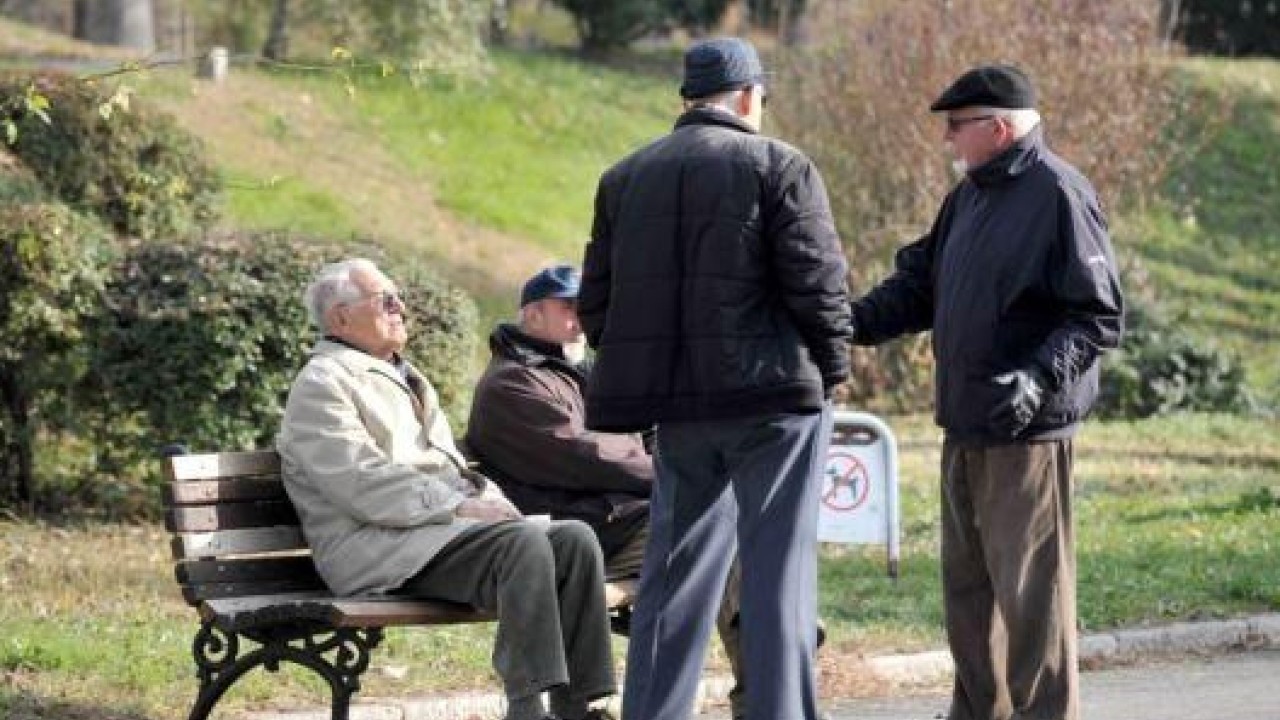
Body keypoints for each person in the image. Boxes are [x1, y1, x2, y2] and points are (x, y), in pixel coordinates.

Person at [579, 37, 853, 720]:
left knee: (673, 578)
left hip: (679, 410)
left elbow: (597, 305)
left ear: (688, 97)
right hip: (773, 401)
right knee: (777, 579)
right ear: (750, 95)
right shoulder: (780, 164)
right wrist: (834, 368)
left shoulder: (624, 177)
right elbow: (819, 284)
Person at [849, 65, 1124, 720]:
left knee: (1033, 604)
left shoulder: (1059, 193)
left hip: (1027, 437)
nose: (948, 137)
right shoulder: (968, 197)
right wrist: (846, 322)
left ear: (998, 128)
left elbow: (1098, 315)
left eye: (956, 125)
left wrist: (1037, 376)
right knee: (970, 603)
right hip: (966, 425)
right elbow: (919, 286)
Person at [276, 258, 617, 720]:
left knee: (574, 539)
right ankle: (525, 706)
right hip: (370, 546)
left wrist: (486, 498)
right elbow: (361, 482)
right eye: (385, 301)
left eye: (398, 298)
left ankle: (578, 706)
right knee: (521, 544)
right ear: (341, 318)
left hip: (424, 534)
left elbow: (449, 467)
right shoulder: (322, 383)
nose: (400, 308)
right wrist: (458, 507)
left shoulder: (404, 374)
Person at [463, 264, 750, 719]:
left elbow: (650, 430)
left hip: (615, 523)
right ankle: (768, 663)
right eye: (569, 308)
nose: (582, 319)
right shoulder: (512, 382)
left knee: (718, 521)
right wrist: (679, 471)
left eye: (588, 308)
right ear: (532, 314)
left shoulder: (578, 372)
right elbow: (585, 454)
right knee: (714, 522)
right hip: (571, 537)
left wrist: (675, 458)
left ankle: (764, 672)